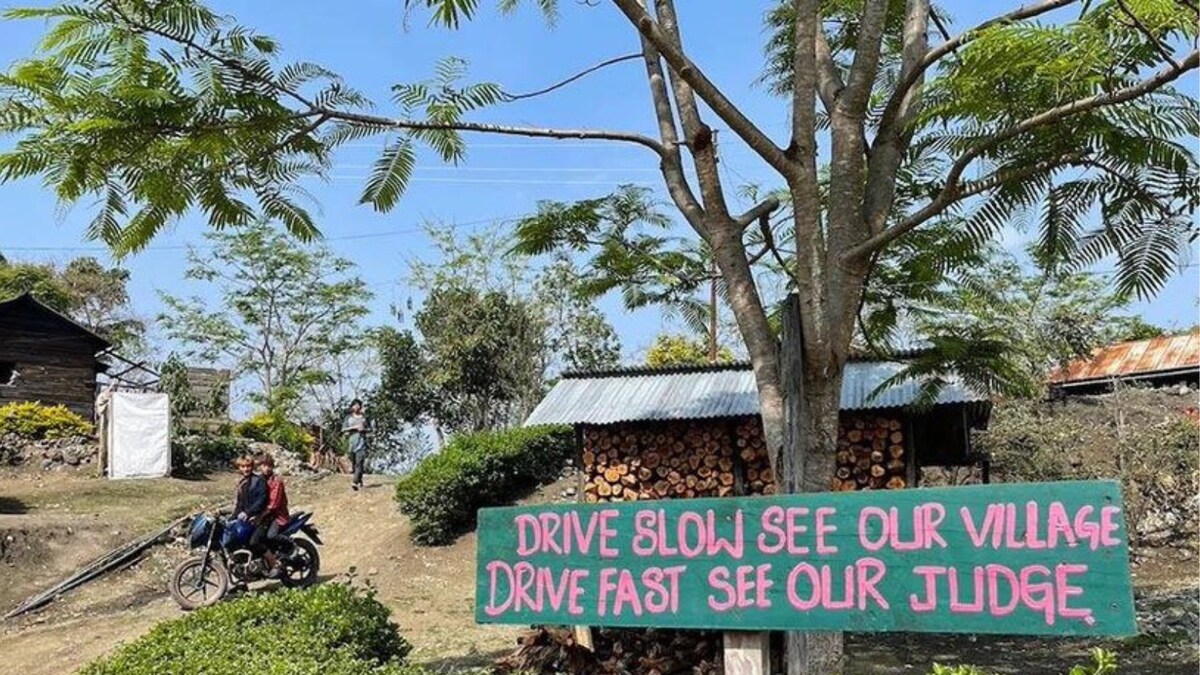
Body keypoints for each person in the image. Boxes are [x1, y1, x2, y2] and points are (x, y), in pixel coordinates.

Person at [250, 453, 289, 578]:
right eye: (263, 465)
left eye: (269, 466)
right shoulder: (259, 480)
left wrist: (260, 517)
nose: (266, 468)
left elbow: (273, 505)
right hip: (264, 515)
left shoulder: (277, 481)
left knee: (270, 536)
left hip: (277, 516)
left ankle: (288, 546)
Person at [342, 399, 370, 491]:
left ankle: (355, 482)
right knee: (355, 464)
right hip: (352, 443)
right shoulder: (348, 418)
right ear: (352, 407)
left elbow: (370, 429)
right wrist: (354, 427)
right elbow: (343, 429)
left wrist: (363, 429)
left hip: (362, 443)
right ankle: (359, 478)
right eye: (355, 405)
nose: (357, 407)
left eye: (358, 405)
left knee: (359, 462)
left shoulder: (364, 418)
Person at [233, 455, 266, 526]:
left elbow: (261, 500)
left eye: (248, 466)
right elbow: (239, 504)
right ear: (239, 468)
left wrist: (247, 512)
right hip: (244, 517)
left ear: (252, 467)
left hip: (257, 518)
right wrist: (233, 518)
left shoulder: (258, 480)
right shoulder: (242, 483)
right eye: (243, 466)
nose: (246, 469)